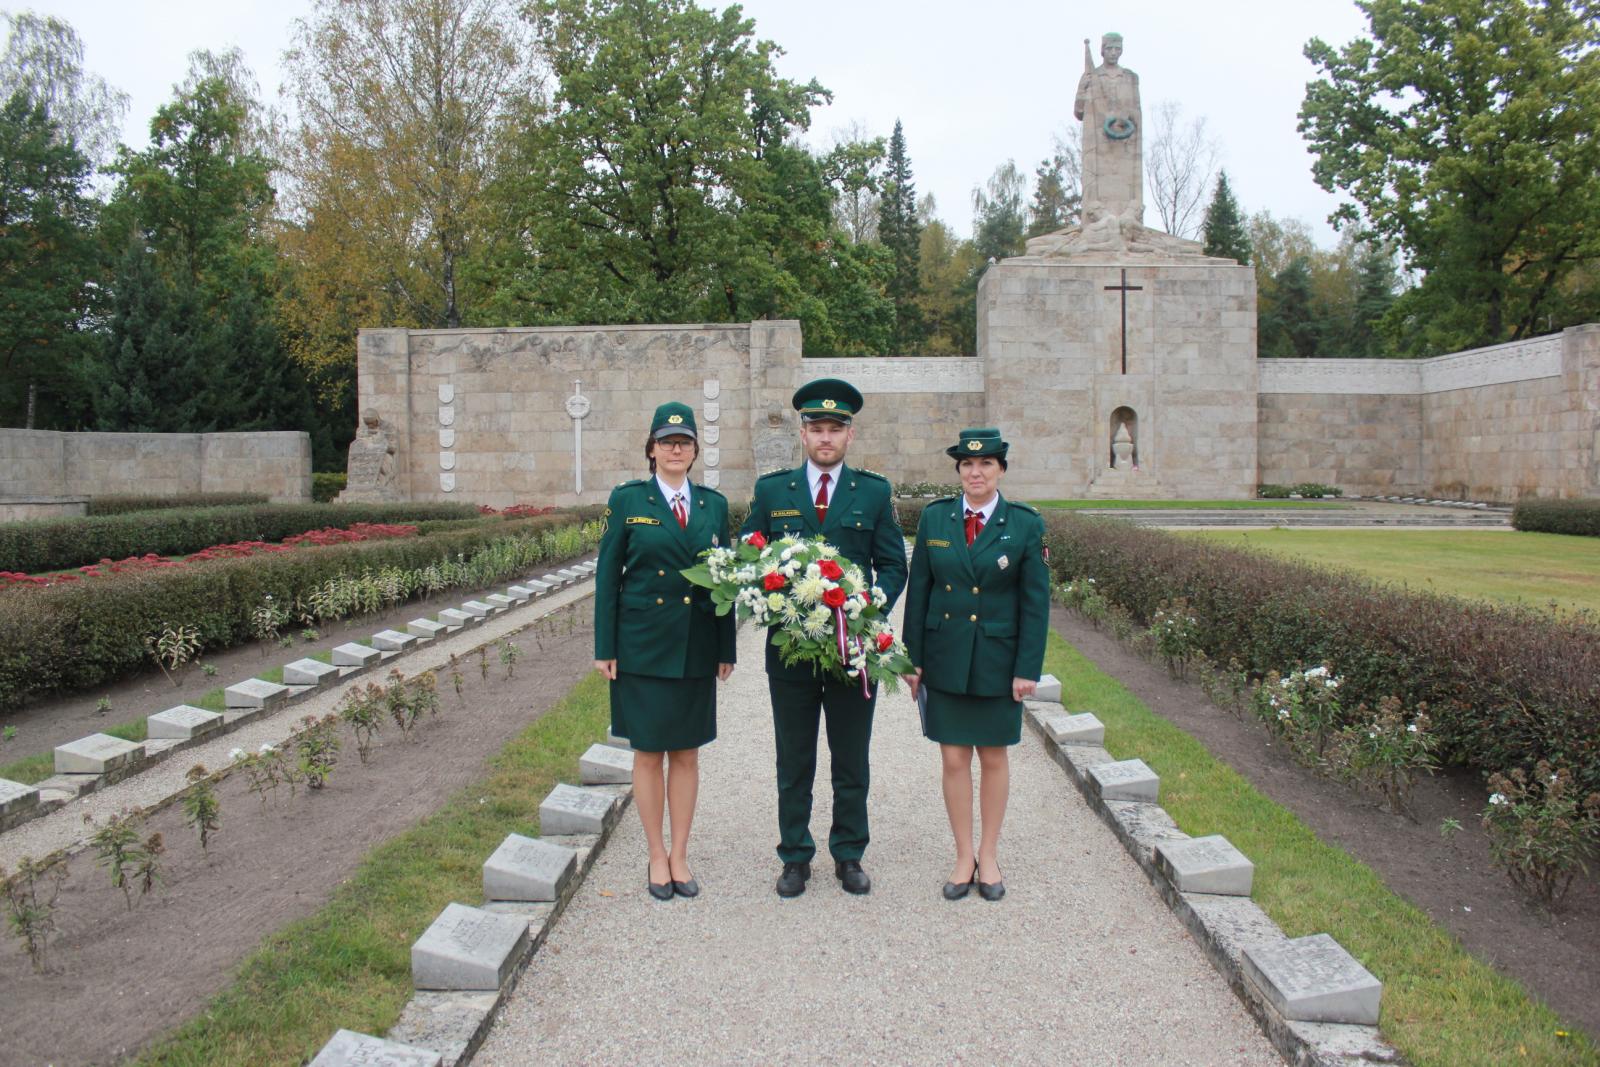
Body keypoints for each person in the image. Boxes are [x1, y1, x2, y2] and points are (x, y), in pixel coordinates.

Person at [741, 379, 908, 898]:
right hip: (789, 650)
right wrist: (773, 599)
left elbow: (892, 564)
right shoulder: (773, 491)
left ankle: (849, 853)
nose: (826, 437)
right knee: (793, 759)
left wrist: (866, 609)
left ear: (849, 435)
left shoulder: (873, 492)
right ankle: (795, 856)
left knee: (851, 757)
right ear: (803, 433)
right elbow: (751, 554)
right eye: (817, 428)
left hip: (852, 650)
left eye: (836, 429)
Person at [593, 401, 736, 901]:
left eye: (685, 442)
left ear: (695, 451)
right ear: (651, 449)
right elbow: (608, 576)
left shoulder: (713, 506)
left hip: (696, 643)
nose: (676, 449)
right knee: (649, 752)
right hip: (643, 645)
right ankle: (656, 853)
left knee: (687, 752)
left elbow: (724, 579)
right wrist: (605, 646)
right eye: (667, 441)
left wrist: (726, 646)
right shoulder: (628, 500)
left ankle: (680, 853)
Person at [904, 428, 1051, 901]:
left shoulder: (1024, 524)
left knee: (992, 756)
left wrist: (1027, 668)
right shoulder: (936, 518)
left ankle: (988, 855)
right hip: (945, 654)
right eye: (967, 464)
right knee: (952, 759)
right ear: (958, 470)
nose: (976, 472)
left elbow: (1035, 603)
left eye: (986, 463)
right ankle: (963, 855)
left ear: (1001, 469)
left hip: (996, 659)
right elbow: (919, 591)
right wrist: (912, 658)